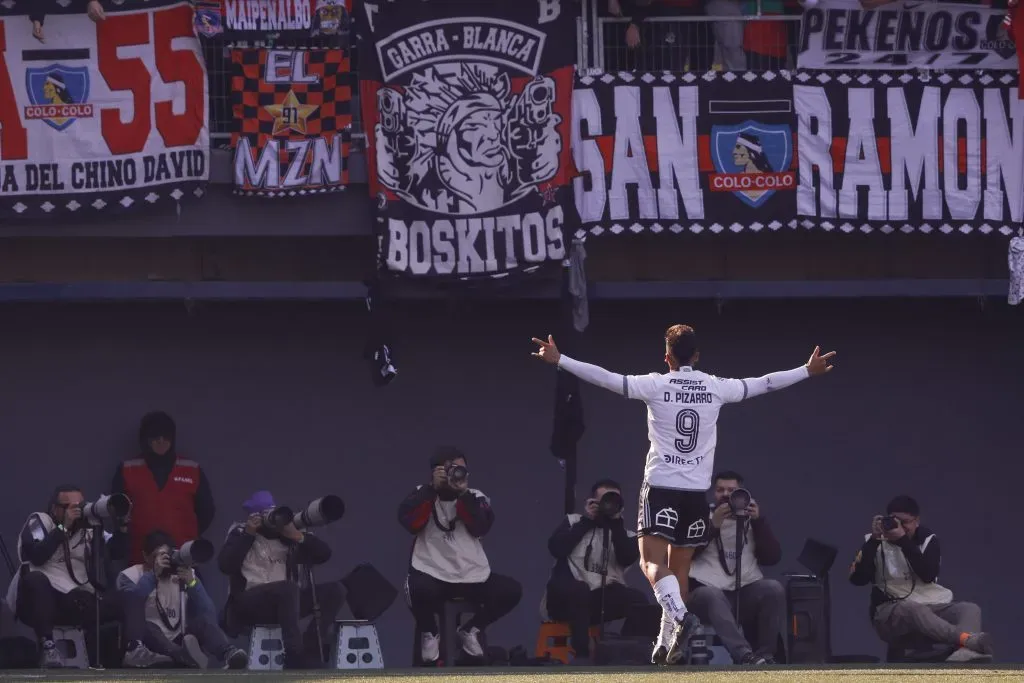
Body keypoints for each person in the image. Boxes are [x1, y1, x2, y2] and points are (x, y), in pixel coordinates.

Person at [531, 325, 835, 665]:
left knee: (651, 565)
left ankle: (681, 618)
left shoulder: (656, 383)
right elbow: (764, 383)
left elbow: (606, 378)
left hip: (661, 487)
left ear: (667, 357)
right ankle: (666, 644)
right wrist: (807, 371)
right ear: (697, 356)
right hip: (695, 493)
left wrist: (561, 360)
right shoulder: (716, 387)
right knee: (678, 571)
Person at [5, 485, 169, 668]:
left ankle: (134, 650)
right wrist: (63, 527)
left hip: (76, 601)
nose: (76, 510)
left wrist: (122, 526)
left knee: (129, 597)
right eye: (69, 506)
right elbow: (36, 555)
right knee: (36, 579)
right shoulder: (39, 521)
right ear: (54, 508)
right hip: (40, 601)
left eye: (80, 505)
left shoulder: (89, 528)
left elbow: (116, 552)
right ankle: (48, 648)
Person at [398, 447, 522, 666]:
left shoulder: (476, 496)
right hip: (433, 573)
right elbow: (409, 522)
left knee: (511, 589)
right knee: (415, 587)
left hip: (471, 575)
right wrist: (432, 490)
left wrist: (463, 494)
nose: (456, 474)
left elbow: (480, 527)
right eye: (450, 469)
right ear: (436, 471)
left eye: (461, 469)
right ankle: (430, 632)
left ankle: (470, 630)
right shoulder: (421, 493)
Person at [848, 495, 993, 662]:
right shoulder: (874, 542)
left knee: (970, 609)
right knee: (913, 609)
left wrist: (903, 541)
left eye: (905, 522)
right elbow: (857, 580)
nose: (900, 527)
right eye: (896, 522)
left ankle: (964, 652)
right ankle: (969, 641)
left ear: (917, 520)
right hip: (890, 612)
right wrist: (873, 541)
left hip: (929, 605)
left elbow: (928, 574)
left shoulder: (928, 540)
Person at [218, 491, 346, 669]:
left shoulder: (287, 536)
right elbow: (225, 566)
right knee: (288, 589)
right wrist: (248, 535)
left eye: (272, 514)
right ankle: (294, 655)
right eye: (264, 515)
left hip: (285, 604)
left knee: (335, 590)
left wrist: (299, 537)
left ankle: (311, 651)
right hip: (248, 605)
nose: (270, 520)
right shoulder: (240, 532)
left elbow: (324, 554)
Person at [542, 478, 648, 664]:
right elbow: (556, 549)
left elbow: (626, 557)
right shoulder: (573, 521)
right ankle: (582, 655)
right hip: (564, 600)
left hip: (598, 601)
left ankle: (627, 654)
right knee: (579, 590)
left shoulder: (627, 536)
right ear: (591, 502)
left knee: (639, 601)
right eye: (603, 501)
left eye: (612, 501)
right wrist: (587, 522)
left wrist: (616, 525)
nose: (607, 505)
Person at [688, 471, 783, 664]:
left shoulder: (750, 519)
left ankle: (765, 655)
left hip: (742, 592)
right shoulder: (702, 517)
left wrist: (759, 522)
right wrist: (713, 525)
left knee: (773, 589)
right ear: (713, 493)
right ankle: (745, 655)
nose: (725, 494)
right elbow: (687, 554)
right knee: (711, 594)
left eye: (731, 490)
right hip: (705, 595)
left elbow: (772, 557)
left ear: (742, 494)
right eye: (720, 490)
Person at [117, 530, 248, 669]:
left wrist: (192, 584)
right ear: (145, 555)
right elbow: (131, 603)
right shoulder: (131, 575)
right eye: (158, 556)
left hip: (181, 636)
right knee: (151, 626)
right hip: (149, 639)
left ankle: (228, 653)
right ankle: (185, 658)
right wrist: (153, 575)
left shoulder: (183, 574)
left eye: (167, 555)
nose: (165, 561)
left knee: (202, 622)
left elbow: (208, 611)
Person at [112, 411, 216, 565]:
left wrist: (186, 532)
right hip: (140, 560)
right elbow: (116, 510)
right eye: (155, 437)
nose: (161, 441)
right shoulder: (127, 469)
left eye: (166, 436)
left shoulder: (192, 469)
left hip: (183, 558)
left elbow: (206, 511)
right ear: (145, 439)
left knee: (194, 589)